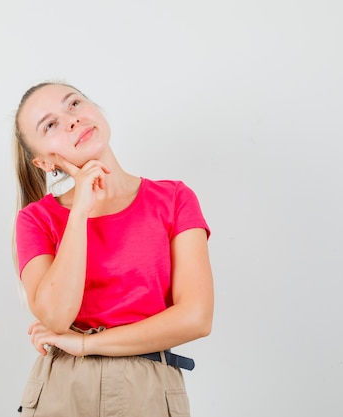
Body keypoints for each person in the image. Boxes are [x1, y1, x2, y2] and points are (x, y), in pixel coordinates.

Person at [12, 81, 214, 417]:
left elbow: (196, 318)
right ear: (44, 163)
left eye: (74, 104)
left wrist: (87, 344)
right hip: (64, 388)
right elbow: (57, 316)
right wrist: (79, 213)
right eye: (50, 125)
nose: (72, 120)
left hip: (147, 387)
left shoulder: (175, 199)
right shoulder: (36, 219)